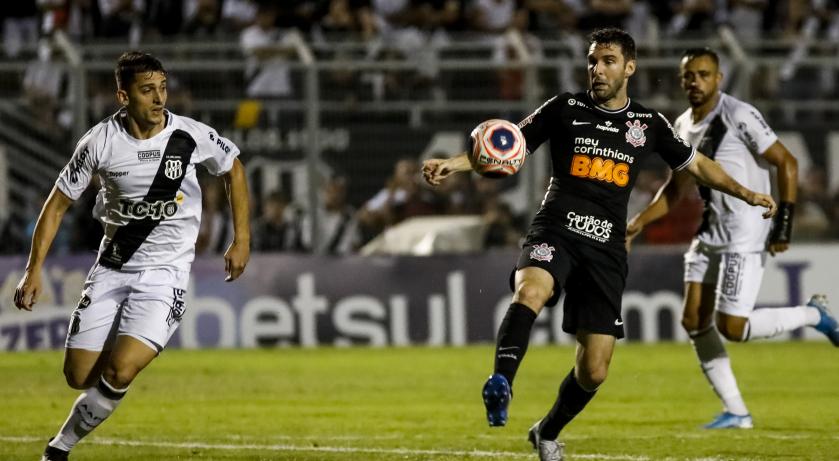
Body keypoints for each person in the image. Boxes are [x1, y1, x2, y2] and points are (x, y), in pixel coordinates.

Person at [422, 28, 777, 461]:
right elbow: (506, 146)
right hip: (556, 227)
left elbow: (698, 165)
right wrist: (453, 164)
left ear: (629, 67)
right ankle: (501, 382)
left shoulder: (647, 124)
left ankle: (547, 431)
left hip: (606, 246)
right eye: (592, 60)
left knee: (594, 369)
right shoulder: (564, 107)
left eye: (608, 61)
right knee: (530, 290)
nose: (597, 69)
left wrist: (748, 193)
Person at [13, 51, 251, 461]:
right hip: (111, 267)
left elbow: (233, 167)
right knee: (77, 376)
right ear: (123, 95)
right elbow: (55, 207)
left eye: (162, 88)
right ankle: (118, 360)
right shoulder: (99, 142)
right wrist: (33, 271)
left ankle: (58, 450)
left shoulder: (189, 135)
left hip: (165, 275)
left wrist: (242, 238)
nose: (159, 98)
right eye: (147, 90)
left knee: (120, 371)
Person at [626, 47, 839, 430]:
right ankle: (737, 411)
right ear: (681, 79)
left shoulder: (738, 114)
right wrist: (637, 223)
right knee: (693, 319)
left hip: (746, 231)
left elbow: (786, 161)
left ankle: (813, 315)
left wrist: (784, 221)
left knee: (733, 328)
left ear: (719, 78)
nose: (696, 82)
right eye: (689, 75)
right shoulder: (681, 125)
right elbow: (676, 191)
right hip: (711, 229)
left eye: (704, 74)